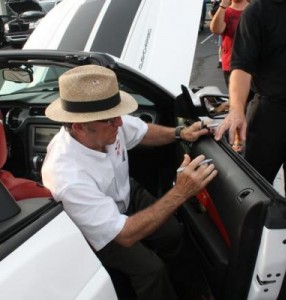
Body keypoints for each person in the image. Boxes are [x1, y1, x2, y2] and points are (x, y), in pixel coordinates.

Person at [42, 65, 218, 300]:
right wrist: (181, 192)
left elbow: (142, 132)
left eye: (117, 116)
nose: (120, 123)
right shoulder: (67, 176)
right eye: (111, 120)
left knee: (173, 233)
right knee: (151, 271)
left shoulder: (106, 124)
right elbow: (123, 235)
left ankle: (189, 289)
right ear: (79, 126)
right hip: (100, 230)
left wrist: (180, 134)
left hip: (125, 192)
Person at [214, 0, 286, 207]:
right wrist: (236, 109)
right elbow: (242, 66)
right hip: (270, 113)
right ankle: (252, 237)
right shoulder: (258, 11)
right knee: (255, 191)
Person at [209, 0, 249, 88]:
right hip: (232, 65)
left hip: (254, 66)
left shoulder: (255, 10)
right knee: (237, 100)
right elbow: (217, 30)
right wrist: (223, 5)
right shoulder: (225, 12)